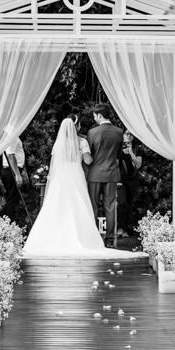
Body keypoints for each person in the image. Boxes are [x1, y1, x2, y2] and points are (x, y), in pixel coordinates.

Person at [22, 115, 134, 258]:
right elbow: (88, 161)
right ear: (77, 126)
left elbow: (54, 162)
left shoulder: (58, 144)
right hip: (75, 176)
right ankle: (83, 238)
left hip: (60, 178)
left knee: (57, 206)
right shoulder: (82, 142)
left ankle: (55, 236)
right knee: (78, 205)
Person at [86, 103, 125, 247]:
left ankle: (94, 238)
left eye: (95, 116)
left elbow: (89, 154)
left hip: (95, 174)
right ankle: (109, 240)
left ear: (100, 115)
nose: (94, 118)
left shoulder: (92, 132)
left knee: (93, 206)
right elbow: (119, 154)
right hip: (112, 174)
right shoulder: (119, 132)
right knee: (110, 207)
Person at [117, 131, 143, 238]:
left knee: (129, 204)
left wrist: (131, 152)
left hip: (132, 179)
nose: (129, 136)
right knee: (122, 202)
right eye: (127, 133)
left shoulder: (137, 147)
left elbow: (138, 164)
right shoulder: (118, 146)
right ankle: (119, 228)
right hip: (120, 179)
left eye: (131, 134)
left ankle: (125, 228)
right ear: (123, 135)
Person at [0, 136, 27, 226]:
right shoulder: (11, 135)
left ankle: (6, 222)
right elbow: (10, 155)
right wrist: (17, 174)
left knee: (12, 197)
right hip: (11, 171)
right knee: (12, 199)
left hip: (10, 170)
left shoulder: (9, 134)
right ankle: (6, 223)